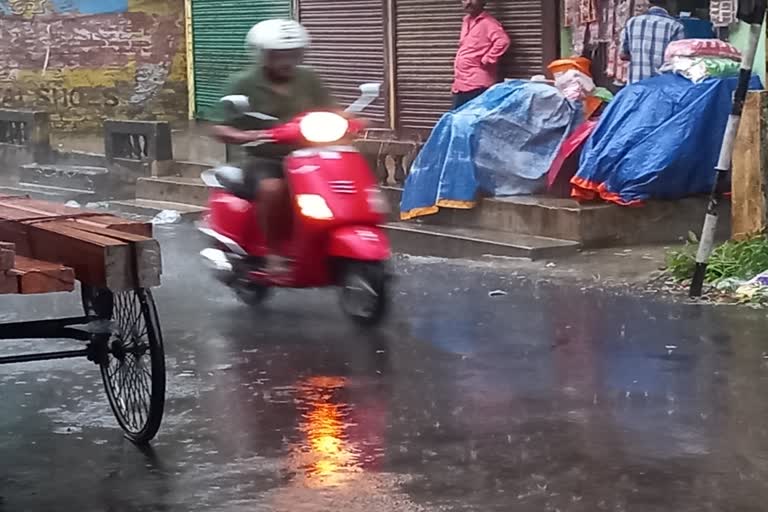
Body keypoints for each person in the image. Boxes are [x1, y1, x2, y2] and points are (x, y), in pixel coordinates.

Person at [212, 19, 337, 273]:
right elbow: (219, 126)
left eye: (293, 54)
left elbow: (330, 109)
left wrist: (349, 120)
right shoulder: (243, 83)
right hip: (266, 159)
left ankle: (325, 242)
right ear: (262, 55)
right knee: (272, 188)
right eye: (278, 55)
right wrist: (246, 135)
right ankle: (274, 251)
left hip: (312, 155)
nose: (286, 61)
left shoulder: (309, 78)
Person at [452, 0, 511, 109]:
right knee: (458, 121)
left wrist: (488, 58)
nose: (468, 3)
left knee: (472, 121)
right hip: (461, 83)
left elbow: (503, 41)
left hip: (477, 84)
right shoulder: (466, 21)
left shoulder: (488, 23)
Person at [620, 0, 685, 84]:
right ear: (670, 3)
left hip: (635, 85)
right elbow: (678, 60)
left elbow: (623, 55)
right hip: (661, 87)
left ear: (649, 2)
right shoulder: (675, 26)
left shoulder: (632, 22)